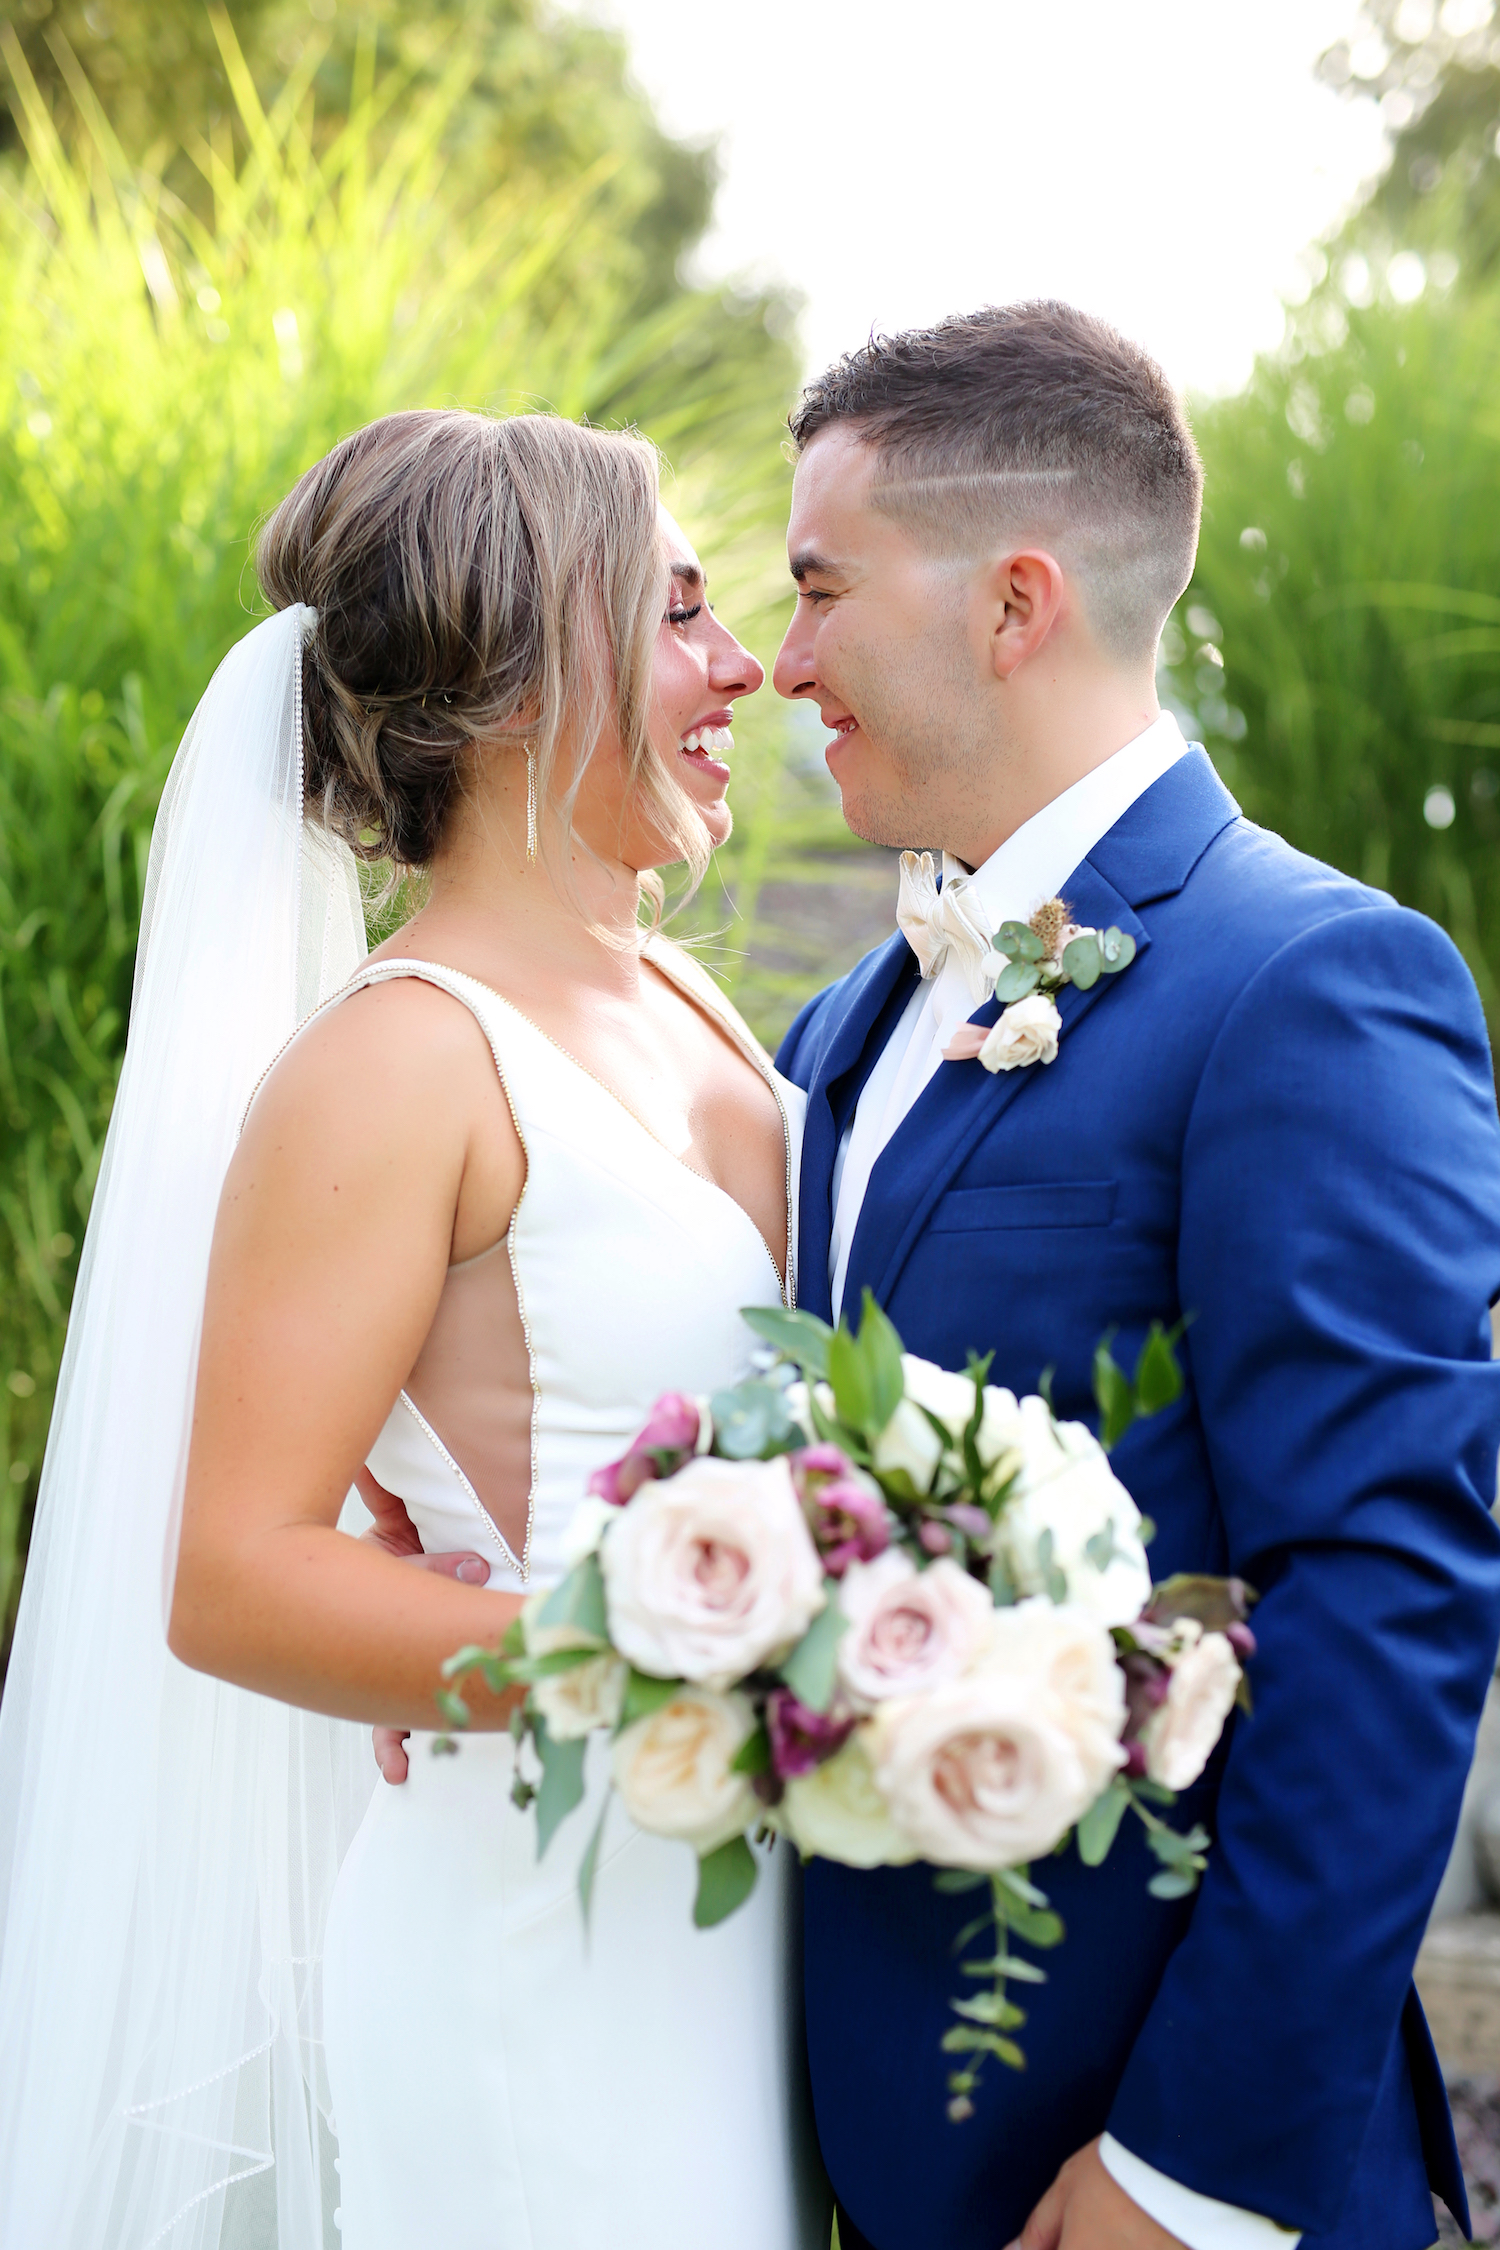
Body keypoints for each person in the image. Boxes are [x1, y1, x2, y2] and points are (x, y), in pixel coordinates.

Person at [0, 408, 827, 2250]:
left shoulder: (686, 987)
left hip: (740, 1931)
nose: (741, 664)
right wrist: (664, 1662)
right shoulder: (393, 1063)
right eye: (680, 608)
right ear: (532, 667)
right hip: (543, 1941)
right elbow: (230, 1573)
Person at [771, 302, 1500, 2250]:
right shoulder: (840, 1025)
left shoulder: (1308, 983)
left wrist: (1198, 2170)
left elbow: (1390, 1589)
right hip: (841, 2138)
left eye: (821, 590)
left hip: (1131, 2145)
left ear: (1014, 606)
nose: (782, 663)